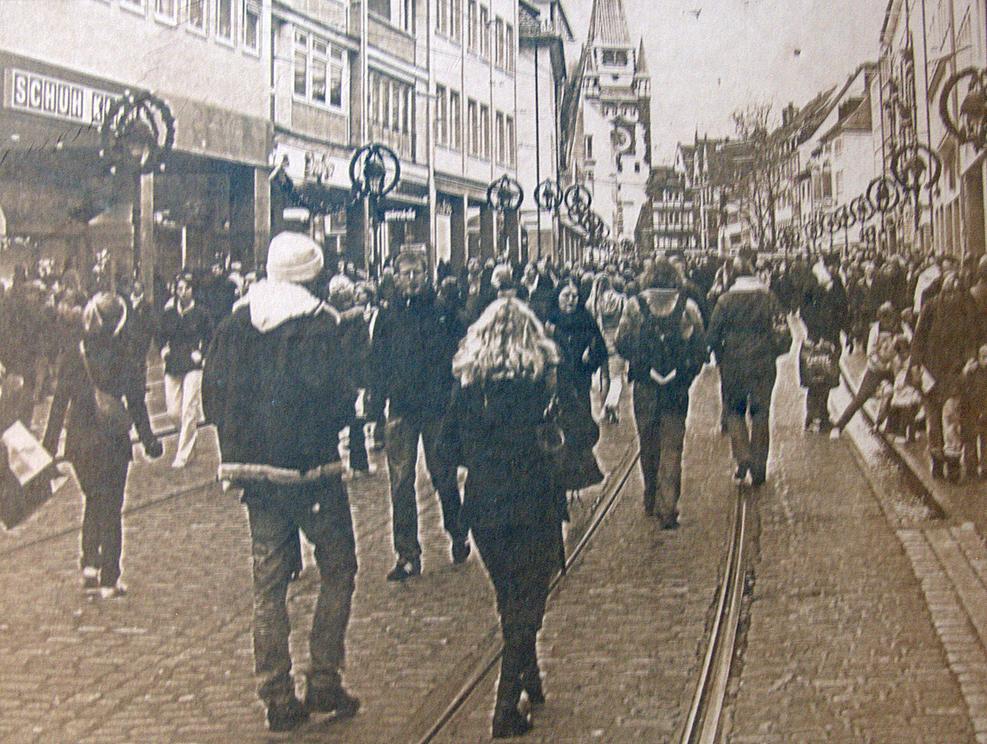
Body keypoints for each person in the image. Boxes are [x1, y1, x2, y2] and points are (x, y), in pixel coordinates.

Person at [202, 232, 360, 732]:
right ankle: (324, 676)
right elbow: (336, 396)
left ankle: (275, 694)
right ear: (312, 275)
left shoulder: (234, 323)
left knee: (268, 584)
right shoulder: (319, 324)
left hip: (255, 474)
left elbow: (211, 396)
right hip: (310, 472)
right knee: (339, 567)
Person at [438, 298, 565, 738]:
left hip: (485, 504)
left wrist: (478, 460)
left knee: (509, 595)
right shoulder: (543, 383)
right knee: (528, 601)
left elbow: (445, 449)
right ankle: (505, 705)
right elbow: (577, 433)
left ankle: (530, 675)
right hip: (533, 500)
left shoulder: (468, 387)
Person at [42, 293, 162, 598]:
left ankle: (89, 564)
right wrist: (149, 441)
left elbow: (59, 403)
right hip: (111, 440)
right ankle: (110, 577)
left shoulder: (74, 352)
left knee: (94, 499)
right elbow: (136, 403)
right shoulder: (125, 353)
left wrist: (48, 447)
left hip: (79, 442)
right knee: (111, 506)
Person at [369, 249, 468, 581]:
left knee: (443, 475)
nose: (411, 280)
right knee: (400, 482)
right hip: (401, 409)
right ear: (396, 278)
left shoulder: (442, 313)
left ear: (427, 275)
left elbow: (460, 356)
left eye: (417, 273)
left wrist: (455, 397)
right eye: (406, 274)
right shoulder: (387, 317)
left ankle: (457, 531)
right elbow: (377, 363)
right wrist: (375, 409)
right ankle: (407, 554)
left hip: (437, 409)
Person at [616, 259, 706, 527]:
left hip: (645, 386)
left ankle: (650, 495)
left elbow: (621, 343)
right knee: (672, 446)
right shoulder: (687, 307)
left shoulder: (635, 306)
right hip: (675, 388)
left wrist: (643, 366)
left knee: (648, 443)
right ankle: (668, 505)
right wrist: (685, 375)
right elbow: (700, 349)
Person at [707, 257, 788, 487]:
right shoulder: (769, 298)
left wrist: (719, 355)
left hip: (733, 364)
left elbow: (712, 335)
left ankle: (743, 454)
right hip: (763, 364)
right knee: (761, 413)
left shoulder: (725, 301)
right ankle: (759, 468)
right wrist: (775, 351)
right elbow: (783, 330)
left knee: (734, 410)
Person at [911, 271, 977, 481]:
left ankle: (953, 464)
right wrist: (915, 365)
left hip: (954, 373)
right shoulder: (931, 307)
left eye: (957, 288)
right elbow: (919, 338)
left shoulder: (966, 309)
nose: (953, 292)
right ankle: (937, 461)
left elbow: (972, 338)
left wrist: (970, 360)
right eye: (950, 287)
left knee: (951, 418)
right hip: (931, 372)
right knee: (933, 422)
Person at [546, 278, 608, 491]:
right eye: (566, 296)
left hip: (580, 383)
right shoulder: (549, 321)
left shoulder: (586, 319)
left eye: (575, 296)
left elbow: (601, 350)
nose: (571, 300)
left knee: (580, 427)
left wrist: (591, 358)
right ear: (557, 297)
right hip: (556, 384)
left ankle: (578, 474)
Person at [158, 273, 211, 468]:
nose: (182, 292)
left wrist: (201, 353)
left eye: (186, 288)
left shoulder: (201, 314)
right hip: (173, 364)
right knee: (173, 412)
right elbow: (160, 335)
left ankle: (183, 454)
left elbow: (210, 337)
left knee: (189, 407)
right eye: (179, 289)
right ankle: (190, 439)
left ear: (193, 290)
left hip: (192, 366)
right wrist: (163, 350)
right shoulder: (169, 314)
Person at [830, 301, 899, 437]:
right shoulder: (875, 330)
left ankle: (888, 426)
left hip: (893, 369)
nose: (888, 322)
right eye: (886, 319)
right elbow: (870, 353)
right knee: (860, 398)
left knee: (897, 396)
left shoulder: (898, 328)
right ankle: (839, 426)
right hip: (875, 370)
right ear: (881, 318)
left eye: (891, 319)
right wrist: (883, 365)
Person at [799, 257, 847, 432]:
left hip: (832, 337)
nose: (835, 269)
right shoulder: (813, 282)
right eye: (833, 266)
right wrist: (817, 333)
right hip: (817, 339)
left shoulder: (837, 282)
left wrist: (842, 328)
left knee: (827, 378)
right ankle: (813, 416)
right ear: (826, 266)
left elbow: (843, 307)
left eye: (836, 267)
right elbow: (804, 310)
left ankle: (822, 414)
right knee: (816, 376)